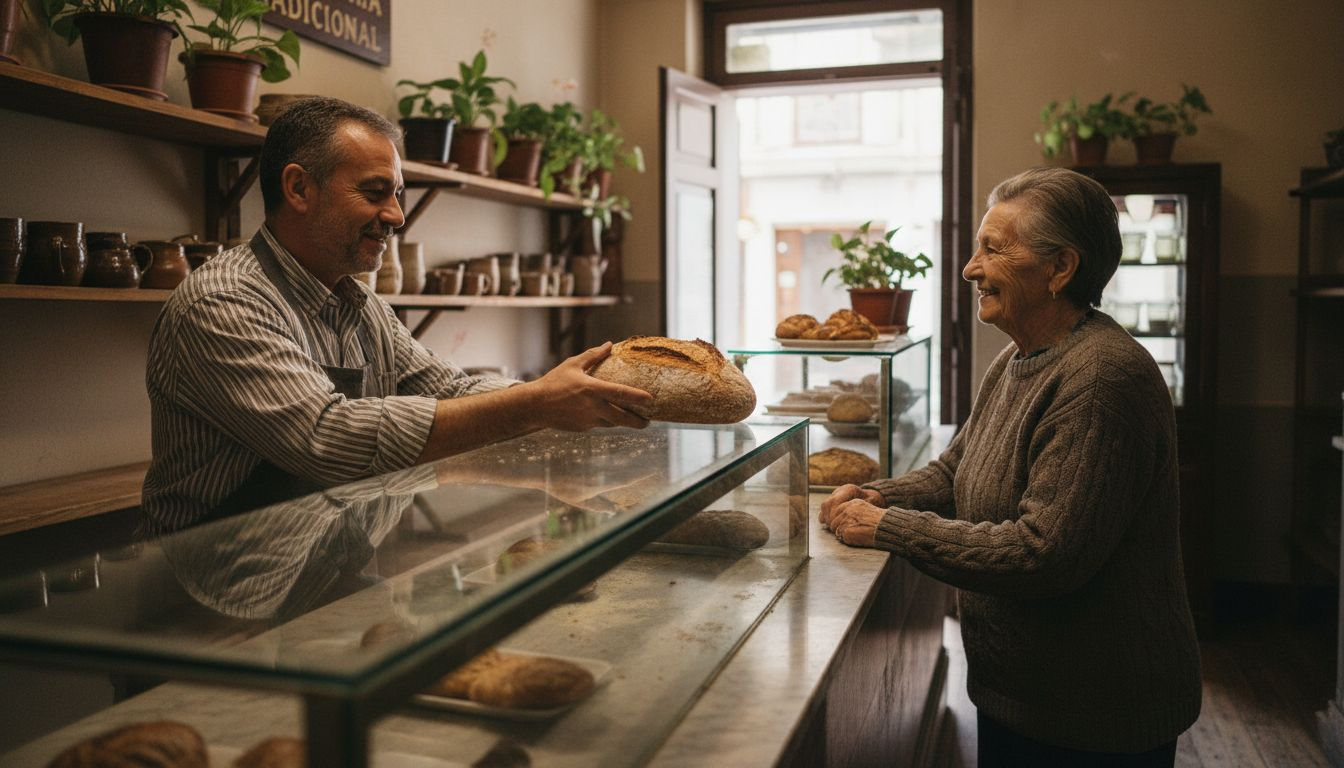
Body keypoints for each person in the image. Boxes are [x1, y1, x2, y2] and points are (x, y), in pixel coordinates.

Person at [820, 167, 1201, 766]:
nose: (970, 268)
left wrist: (890, 528)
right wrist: (874, 496)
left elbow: (1045, 553)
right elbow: (953, 474)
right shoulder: (1019, 360)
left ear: (1061, 268)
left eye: (992, 250)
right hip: (1020, 698)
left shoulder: (1100, 378)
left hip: (1094, 717)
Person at [143, 97, 653, 533]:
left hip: (324, 577)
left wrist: (559, 397)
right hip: (219, 598)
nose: (397, 216)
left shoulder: (362, 307)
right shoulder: (224, 303)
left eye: (398, 195)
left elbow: (449, 389)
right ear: (298, 189)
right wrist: (535, 405)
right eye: (374, 192)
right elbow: (325, 437)